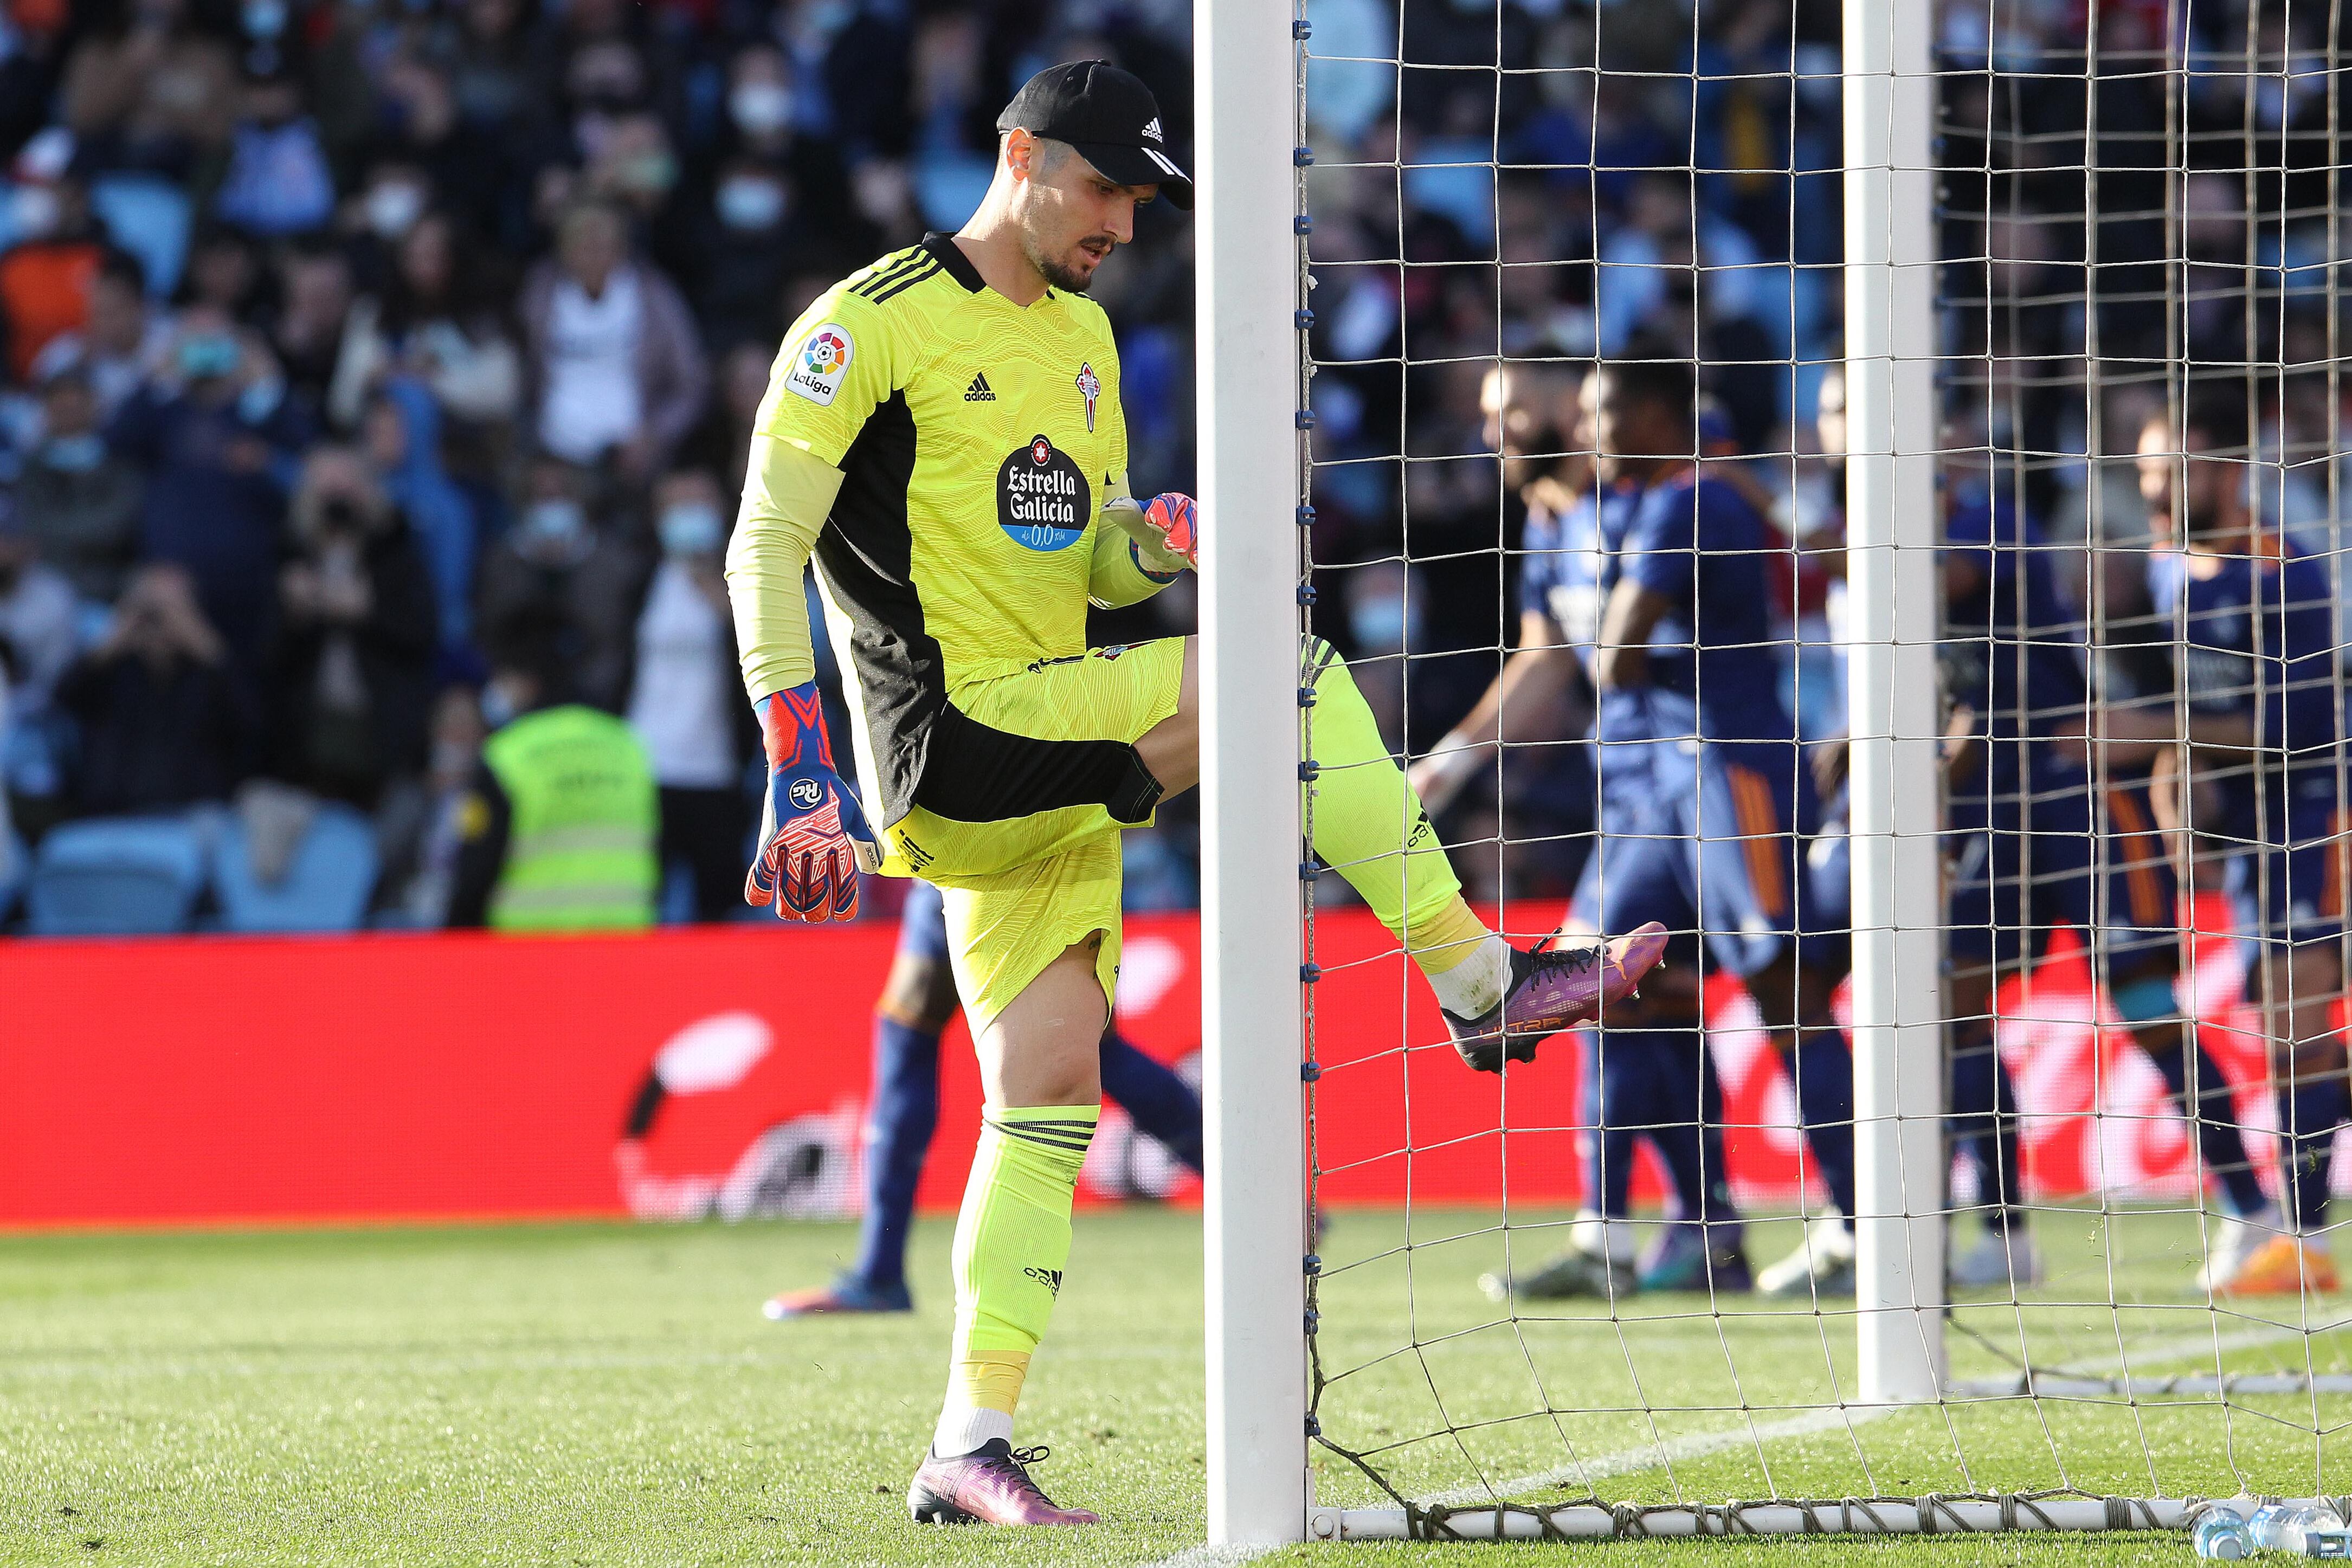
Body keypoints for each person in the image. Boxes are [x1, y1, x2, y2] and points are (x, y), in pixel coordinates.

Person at [723, 61, 1665, 1528]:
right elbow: (758, 542)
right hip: (951, 730)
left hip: (1045, 737)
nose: (1121, 223)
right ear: (1017, 152)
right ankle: (1479, 978)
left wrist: (1147, 546)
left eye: (1140, 201)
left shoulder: (1088, 337)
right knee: (1279, 671)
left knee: (1044, 1092)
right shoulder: (868, 322)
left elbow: (1080, 557)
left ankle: (966, 1440)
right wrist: (797, 764)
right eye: (1101, 187)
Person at [1432, 355, 1839, 1300]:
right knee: (1596, 986)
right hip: (1629, 793)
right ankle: (1639, 1232)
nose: (1498, 433)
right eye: (1491, 416)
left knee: (1781, 991)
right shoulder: (1552, 528)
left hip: (1717, 774)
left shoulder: (1661, 501)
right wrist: (1455, 757)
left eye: (1517, 411)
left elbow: (1616, 650)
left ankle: (1862, 1222)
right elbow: (1547, 658)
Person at [2130, 393, 2346, 1295]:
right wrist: (2173, 790)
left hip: (2313, 812)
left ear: (2224, 473)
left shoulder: (2282, 571)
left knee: (2298, 1019)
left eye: (2169, 469)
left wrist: (2160, 742)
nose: (2151, 486)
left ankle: (2299, 1232)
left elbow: (2288, 725)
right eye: (2142, 469)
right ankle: (2285, 1227)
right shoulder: (2162, 568)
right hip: (2245, 831)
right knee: (2276, 1023)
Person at [763, 878, 1204, 1319]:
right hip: (1066, 859)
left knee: (911, 1035)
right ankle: (1248, 1194)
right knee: (1093, 1046)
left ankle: (880, 1273)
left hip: (973, 850)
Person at [445, 608, 658, 932]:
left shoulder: (507, 755)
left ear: (527, 682)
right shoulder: (629, 746)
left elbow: (474, 872)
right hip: (624, 947)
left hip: (532, 953)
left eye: (503, 678)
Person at [623, 468, 753, 922]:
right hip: (644, 766)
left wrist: (725, 607)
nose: (688, 517)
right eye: (677, 507)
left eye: (698, 504)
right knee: (643, 901)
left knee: (716, 908)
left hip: (715, 769)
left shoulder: (747, 578)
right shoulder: (640, 581)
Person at [56, 562, 255, 814]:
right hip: (114, 817)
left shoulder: (211, 672)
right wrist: (116, 638)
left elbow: (251, 724)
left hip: (192, 817)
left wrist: (206, 646)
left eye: (176, 611)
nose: (163, 623)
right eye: (150, 613)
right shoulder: (110, 669)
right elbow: (62, 699)